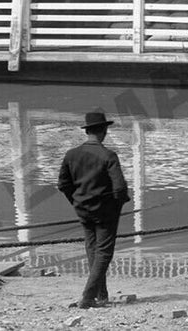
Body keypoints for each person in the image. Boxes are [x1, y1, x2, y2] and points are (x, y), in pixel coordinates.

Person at [57, 111, 130, 309]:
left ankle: (101, 294)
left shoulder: (71, 155)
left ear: (87, 131)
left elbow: (63, 184)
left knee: (92, 249)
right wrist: (118, 204)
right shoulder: (108, 155)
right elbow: (120, 188)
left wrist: (76, 201)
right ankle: (89, 297)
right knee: (104, 253)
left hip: (83, 209)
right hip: (105, 211)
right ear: (104, 131)